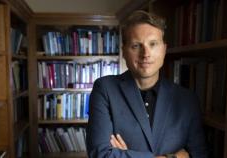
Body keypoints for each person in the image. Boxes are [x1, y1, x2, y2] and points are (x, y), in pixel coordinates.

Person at [86, 10, 208, 158]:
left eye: (153, 44)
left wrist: (124, 154)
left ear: (164, 50)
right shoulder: (105, 89)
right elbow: (100, 154)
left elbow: (199, 155)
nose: (146, 54)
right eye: (136, 45)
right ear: (124, 51)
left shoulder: (187, 99)